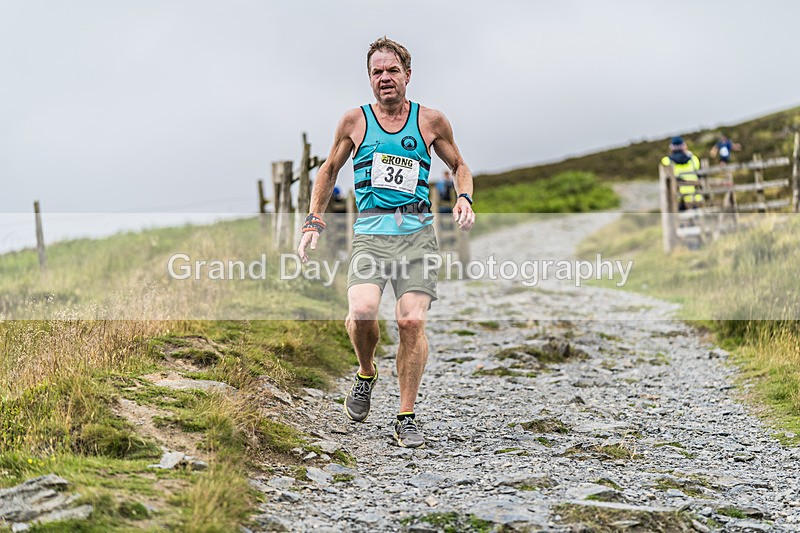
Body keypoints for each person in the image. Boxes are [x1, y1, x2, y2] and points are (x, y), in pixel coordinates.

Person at [297, 37, 475, 448]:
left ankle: (406, 415)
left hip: (416, 236)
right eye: (377, 72)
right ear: (369, 78)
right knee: (361, 313)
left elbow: (460, 165)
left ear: (407, 75)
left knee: (411, 321)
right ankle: (366, 372)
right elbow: (328, 171)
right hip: (371, 237)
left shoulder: (430, 121)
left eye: (392, 70)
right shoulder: (353, 122)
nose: (385, 78)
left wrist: (463, 196)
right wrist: (313, 219)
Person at [661, 136, 702, 210]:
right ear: (683, 146)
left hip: (677, 198)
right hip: (694, 197)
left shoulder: (666, 161)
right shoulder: (693, 159)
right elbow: (699, 175)